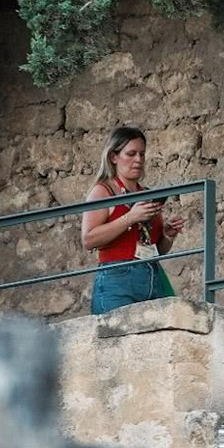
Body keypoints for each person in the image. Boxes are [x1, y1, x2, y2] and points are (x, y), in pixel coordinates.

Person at [80, 126, 185, 314]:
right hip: (117, 278)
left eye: (142, 154)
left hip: (151, 275)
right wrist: (130, 218)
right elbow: (89, 239)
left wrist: (167, 236)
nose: (138, 160)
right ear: (114, 157)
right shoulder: (103, 191)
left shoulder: (146, 194)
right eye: (131, 154)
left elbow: (156, 249)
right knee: (116, 340)